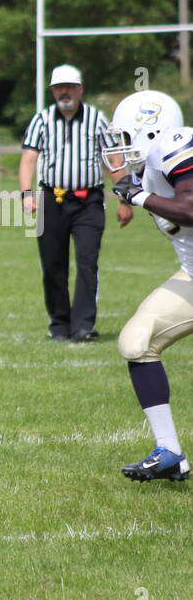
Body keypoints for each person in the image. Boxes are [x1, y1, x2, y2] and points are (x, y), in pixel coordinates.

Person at [107, 89, 193, 481]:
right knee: (137, 342)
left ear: (153, 132)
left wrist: (139, 196)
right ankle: (170, 453)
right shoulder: (150, 165)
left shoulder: (178, 144)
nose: (119, 147)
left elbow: (192, 208)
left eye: (125, 137)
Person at [19, 64, 132, 343]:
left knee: (87, 262)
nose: (64, 92)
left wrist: (124, 199)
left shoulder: (96, 119)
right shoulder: (42, 119)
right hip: (52, 199)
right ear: (53, 91)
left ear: (80, 89)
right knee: (53, 264)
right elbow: (29, 159)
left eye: (69, 87)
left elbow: (113, 160)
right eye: (59, 88)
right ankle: (58, 325)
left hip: (88, 201)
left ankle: (83, 326)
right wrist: (26, 193)